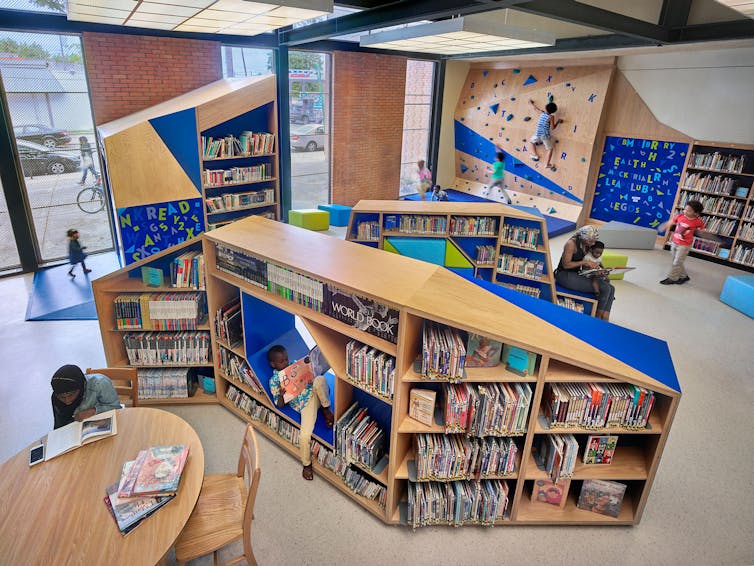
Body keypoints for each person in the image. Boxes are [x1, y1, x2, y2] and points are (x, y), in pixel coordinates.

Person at [268, 345, 334, 481]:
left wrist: (310, 371)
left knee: (319, 380)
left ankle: (326, 409)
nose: (286, 362)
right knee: (304, 436)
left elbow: (311, 376)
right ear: (273, 364)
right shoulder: (274, 381)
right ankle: (306, 464)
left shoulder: (293, 365)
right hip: (304, 405)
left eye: (286, 359)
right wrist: (282, 395)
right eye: (282, 361)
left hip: (315, 391)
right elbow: (279, 404)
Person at [555, 225, 615, 321]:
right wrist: (585, 262)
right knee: (605, 288)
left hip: (577, 274)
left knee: (611, 288)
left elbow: (591, 260)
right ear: (584, 238)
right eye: (591, 241)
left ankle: (605, 316)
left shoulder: (586, 245)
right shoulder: (571, 244)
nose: (593, 243)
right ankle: (597, 318)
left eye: (594, 241)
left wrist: (599, 270)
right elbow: (566, 265)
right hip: (564, 275)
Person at [51, 364, 122, 429]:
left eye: (71, 395)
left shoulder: (99, 384)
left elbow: (116, 408)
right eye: (62, 397)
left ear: (81, 386)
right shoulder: (56, 398)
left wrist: (94, 411)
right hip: (75, 432)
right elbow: (59, 425)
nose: (67, 401)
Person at [657, 200, 710, 285]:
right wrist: (664, 226)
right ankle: (684, 276)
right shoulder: (680, 216)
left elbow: (702, 229)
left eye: (688, 210)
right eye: (685, 209)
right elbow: (671, 222)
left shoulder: (697, 221)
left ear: (696, 213)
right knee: (677, 261)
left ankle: (672, 278)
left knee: (677, 262)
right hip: (674, 242)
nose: (685, 211)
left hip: (685, 245)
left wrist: (704, 232)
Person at [527, 99, 563, 171]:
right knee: (550, 149)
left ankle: (536, 155)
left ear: (546, 107)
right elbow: (553, 128)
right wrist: (558, 121)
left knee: (531, 142)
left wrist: (531, 103)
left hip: (537, 133)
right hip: (545, 136)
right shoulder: (551, 117)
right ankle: (547, 164)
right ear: (553, 111)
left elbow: (535, 109)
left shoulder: (542, 113)